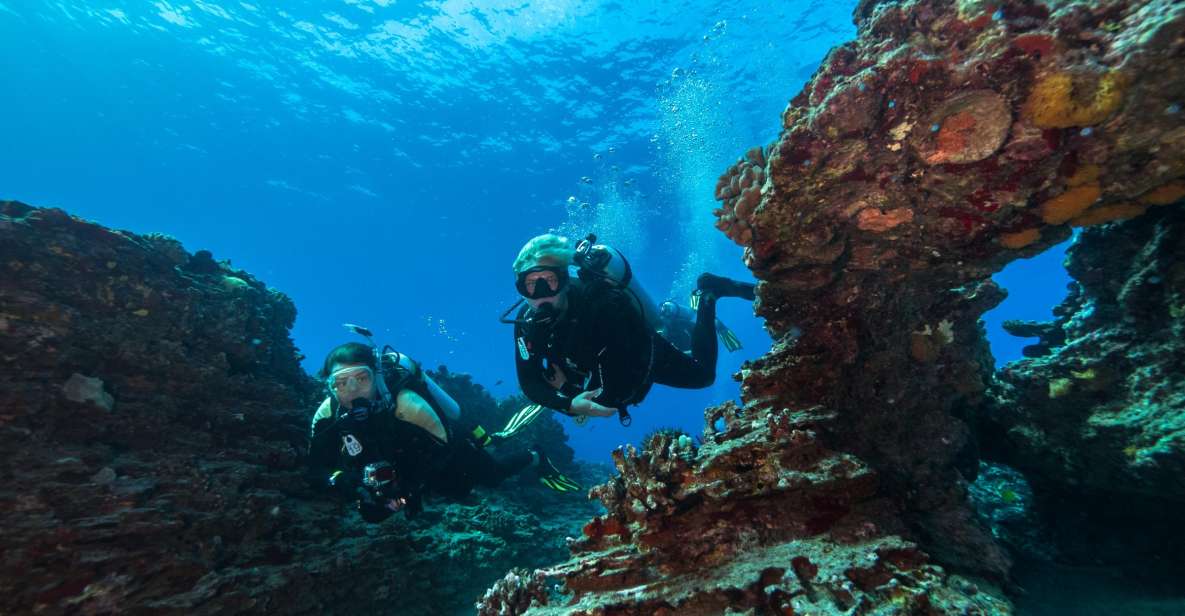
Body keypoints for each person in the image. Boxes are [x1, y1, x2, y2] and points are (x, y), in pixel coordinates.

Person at [308, 334, 579, 524]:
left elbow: (444, 449)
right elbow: (315, 468)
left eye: (361, 379)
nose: (353, 392)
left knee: (487, 479)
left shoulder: (408, 406)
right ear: (330, 386)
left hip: (446, 447)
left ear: (376, 377)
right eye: (341, 383)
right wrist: (342, 480)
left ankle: (535, 455)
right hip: (399, 460)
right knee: (372, 514)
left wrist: (409, 490)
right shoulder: (328, 414)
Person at [509, 233, 756, 424]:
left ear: (563, 281)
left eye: (549, 282)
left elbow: (616, 390)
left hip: (643, 354)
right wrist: (570, 403)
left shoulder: (601, 305)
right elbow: (529, 382)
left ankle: (707, 294)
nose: (541, 295)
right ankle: (676, 314)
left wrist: (567, 393)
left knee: (703, 376)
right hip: (599, 366)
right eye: (530, 285)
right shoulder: (526, 322)